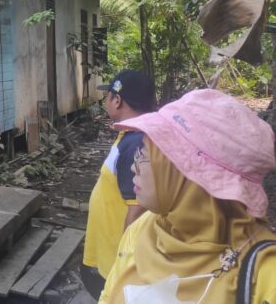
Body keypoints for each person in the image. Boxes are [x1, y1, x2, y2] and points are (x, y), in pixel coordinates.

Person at [99, 89, 276, 304]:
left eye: (144, 155)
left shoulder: (266, 275)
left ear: (187, 171)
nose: (133, 168)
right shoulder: (142, 230)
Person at [82, 70, 156, 298]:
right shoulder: (128, 135)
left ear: (117, 100)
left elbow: (137, 206)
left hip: (115, 260)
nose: (106, 102)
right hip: (109, 253)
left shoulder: (135, 143)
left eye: (108, 96)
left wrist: (125, 262)